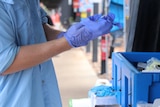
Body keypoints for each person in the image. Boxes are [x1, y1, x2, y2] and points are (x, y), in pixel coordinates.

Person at [0, 0, 115, 107]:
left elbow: (39, 31)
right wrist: (67, 42)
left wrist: (74, 34)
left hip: (42, 95)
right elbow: (6, 61)